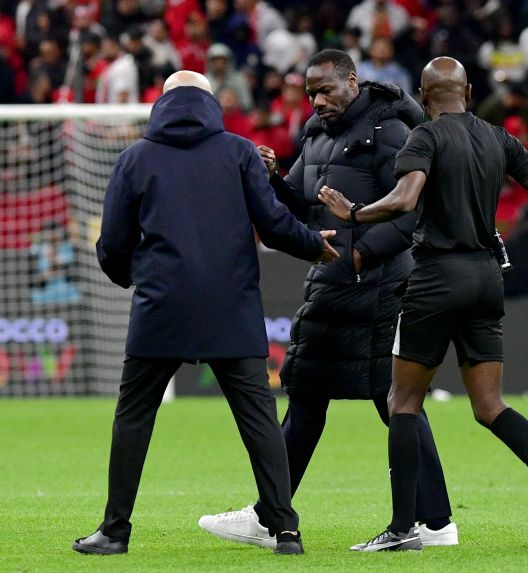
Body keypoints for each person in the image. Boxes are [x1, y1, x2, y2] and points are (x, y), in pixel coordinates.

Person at [318, 56, 528, 551]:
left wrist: (354, 213)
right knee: (490, 405)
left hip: (437, 278)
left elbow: (405, 198)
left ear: (423, 95)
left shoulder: (425, 137)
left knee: (402, 402)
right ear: (469, 91)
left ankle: (402, 528)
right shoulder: (499, 138)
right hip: (487, 279)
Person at [198, 49, 458, 549]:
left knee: (395, 401)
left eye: (326, 90)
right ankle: (272, 514)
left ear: (352, 82)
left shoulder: (391, 132)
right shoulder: (316, 135)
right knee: (309, 394)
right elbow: (300, 206)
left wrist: (361, 255)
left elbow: (413, 212)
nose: (317, 101)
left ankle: (434, 521)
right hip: (332, 285)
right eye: (311, 93)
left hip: (381, 287)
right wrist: (273, 178)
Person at [72, 70, 338, 557]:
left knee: (134, 417)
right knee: (259, 419)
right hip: (230, 307)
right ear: (210, 102)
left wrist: (136, 279)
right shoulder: (238, 152)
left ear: (162, 103)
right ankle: (286, 531)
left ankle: (114, 532)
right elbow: (274, 224)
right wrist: (312, 245)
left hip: (161, 308)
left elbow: (112, 244)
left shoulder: (135, 158)